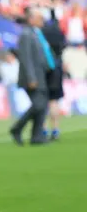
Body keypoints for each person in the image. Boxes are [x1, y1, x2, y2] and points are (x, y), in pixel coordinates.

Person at [10, 9, 55, 145]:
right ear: (31, 19)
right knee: (38, 105)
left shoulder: (36, 33)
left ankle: (37, 137)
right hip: (32, 77)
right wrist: (31, 78)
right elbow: (26, 58)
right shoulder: (26, 34)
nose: (42, 20)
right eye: (39, 18)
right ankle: (17, 128)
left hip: (41, 75)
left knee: (42, 106)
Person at [41, 8, 66, 141]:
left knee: (43, 101)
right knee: (54, 101)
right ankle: (55, 129)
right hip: (57, 68)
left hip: (44, 69)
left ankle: (44, 129)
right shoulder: (58, 31)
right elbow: (63, 46)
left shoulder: (41, 32)